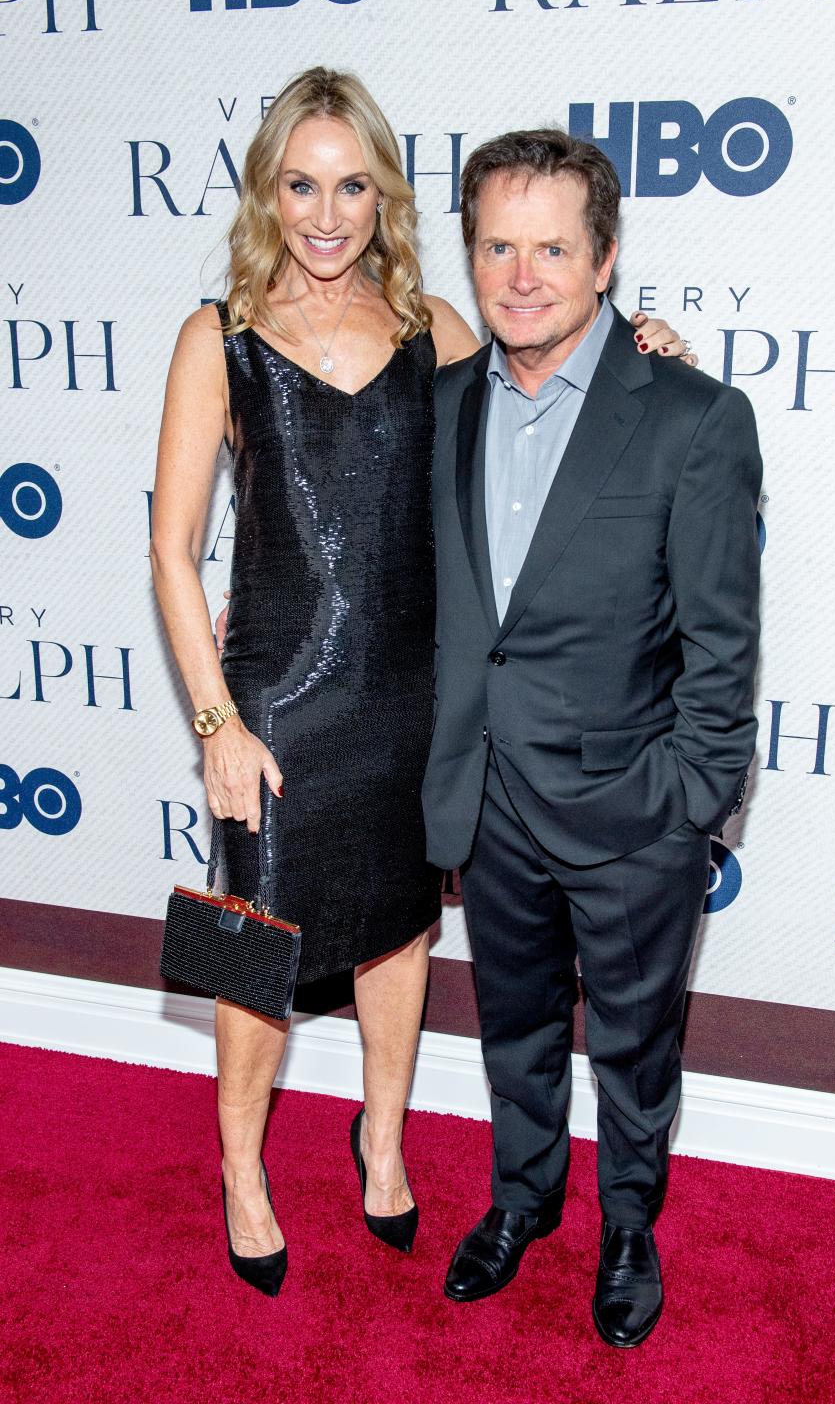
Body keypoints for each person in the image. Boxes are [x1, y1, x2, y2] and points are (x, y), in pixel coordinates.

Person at [151, 67, 691, 1297]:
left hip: (413, 698)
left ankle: (381, 1140)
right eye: (301, 183)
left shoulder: (432, 327)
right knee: (259, 944)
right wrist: (217, 722)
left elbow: (554, 394)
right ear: (268, 192)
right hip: (276, 703)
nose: (327, 213)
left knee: (400, 932)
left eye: (352, 184)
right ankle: (242, 1168)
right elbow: (170, 551)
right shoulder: (218, 338)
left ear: (384, 193)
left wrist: (646, 351)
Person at [423, 130, 762, 1348]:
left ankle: (629, 1223)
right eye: (498, 247)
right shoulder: (446, 403)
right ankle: (523, 1202)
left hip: (635, 811)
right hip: (492, 798)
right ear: (470, 256)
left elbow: (724, 647)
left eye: (553, 248)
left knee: (633, 1043)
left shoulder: (693, 417)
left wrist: (689, 808)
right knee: (512, 1026)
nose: (522, 276)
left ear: (606, 258)